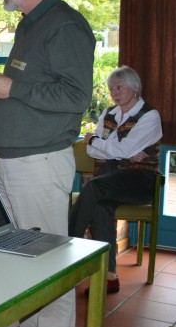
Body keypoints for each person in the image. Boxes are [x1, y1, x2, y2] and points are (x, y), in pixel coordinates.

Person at [0, 0, 95, 327]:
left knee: (48, 264)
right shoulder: (32, 25)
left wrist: (15, 86)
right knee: (22, 260)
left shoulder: (64, 25)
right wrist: (15, 89)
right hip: (14, 162)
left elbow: (75, 97)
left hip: (40, 162)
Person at [69, 66, 162, 295]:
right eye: (112, 88)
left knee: (93, 186)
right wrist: (114, 149)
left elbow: (116, 147)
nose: (114, 92)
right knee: (100, 207)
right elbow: (94, 152)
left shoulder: (150, 116)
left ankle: (68, 244)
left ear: (135, 88)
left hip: (141, 180)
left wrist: (97, 142)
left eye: (119, 87)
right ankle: (108, 276)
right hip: (112, 176)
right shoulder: (108, 113)